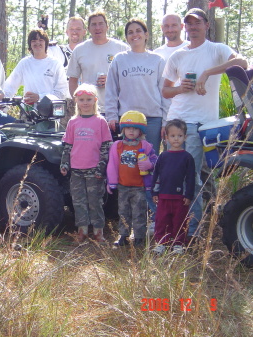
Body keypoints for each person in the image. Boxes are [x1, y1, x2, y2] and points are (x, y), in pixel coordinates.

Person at [162, 8, 248, 239]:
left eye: (197, 23)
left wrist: (208, 73)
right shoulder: (177, 56)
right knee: (187, 177)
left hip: (208, 126)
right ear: (184, 28)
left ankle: (197, 228)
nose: (192, 27)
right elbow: (166, 90)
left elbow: (242, 62)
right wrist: (181, 88)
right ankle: (190, 231)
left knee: (204, 178)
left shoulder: (217, 49)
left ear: (206, 25)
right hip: (181, 124)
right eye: (188, 24)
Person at [60, 83, 113, 244]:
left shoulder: (100, 121)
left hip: (94, 170)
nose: (85, 103)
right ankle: (82, 231)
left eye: (88, 99)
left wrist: (101, 167)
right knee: (78, 201)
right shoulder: (73, 122)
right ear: (76, 101)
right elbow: (67, 146)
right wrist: (64, 164)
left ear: (95, 100)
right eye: (81, 99)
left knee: (95, 201)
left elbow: (106, 146)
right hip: (76, 170)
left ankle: (98, 232)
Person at [105, 19, 166, 155]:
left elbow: (164, 93)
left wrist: (165, 121)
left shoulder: (158, 60)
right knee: (128, 160)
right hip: (127, 120)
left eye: (138, 31)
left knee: (150, 160)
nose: (135, 35)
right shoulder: (119, 59)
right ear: (126, 37)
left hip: (152, 119)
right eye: (130, 32)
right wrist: (112, 116)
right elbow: (111, 90)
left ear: (146, 34)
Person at [106, 111, 157, 247]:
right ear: (123, 129)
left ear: (141, 131)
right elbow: (112, 164)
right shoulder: (117, 146)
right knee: (123, 211)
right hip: (123, 185)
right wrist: (111, 182)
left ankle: (139, 236)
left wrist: (149, 164)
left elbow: (156, 162)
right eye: (128, 128)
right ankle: (123, 235)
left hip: (139, 186)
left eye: (135, 129)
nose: (131, 131)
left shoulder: (145, 146)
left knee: (139, 211)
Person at [67, 10, 129, 114]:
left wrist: (111, 81)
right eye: (94, 24)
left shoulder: (121, 48)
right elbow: (73, 80)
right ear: (88, 29)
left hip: (117, 109)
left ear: (107, 27)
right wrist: (79, 103)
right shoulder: (80, 50)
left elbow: (130, 78)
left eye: (101, 24)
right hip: (90, 110)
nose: (97, 28)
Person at [152, 119, 195, 255]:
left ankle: (178, 244)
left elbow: (190, 178)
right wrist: (154, 192)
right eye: (172, 136)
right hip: (164, 196)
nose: (176, 139)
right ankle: (161, 243)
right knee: (161, 220)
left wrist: (188, 195)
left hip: (180, 198)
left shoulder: (187, 157)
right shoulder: (163, 156)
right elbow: (156, 175)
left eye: (180, 136)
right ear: (166, 138)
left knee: (180, 221)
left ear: (185, 137)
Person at [4, 29, 69, 105]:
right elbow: (10, 86)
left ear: (46, 43)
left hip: (51, 112)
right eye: (34, 41)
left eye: (41, 40)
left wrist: (39, 97)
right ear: (30, 45)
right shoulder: (24, 63)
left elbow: (61, 92)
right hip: (28, 111)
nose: (37, 43)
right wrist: (3, 102)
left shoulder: (55, 64)